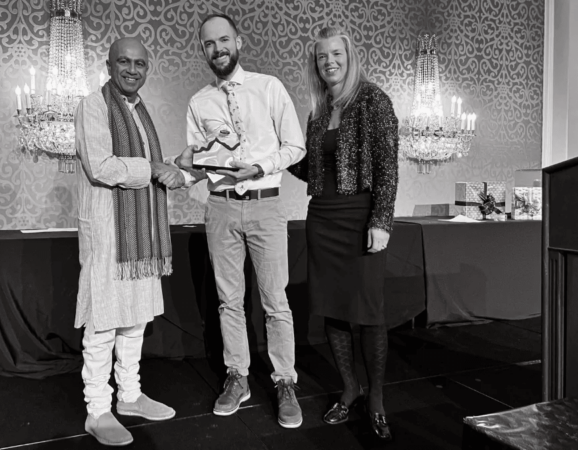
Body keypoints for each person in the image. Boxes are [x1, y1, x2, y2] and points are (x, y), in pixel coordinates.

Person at [174, 13, 307, 429]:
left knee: (276, 301)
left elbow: (296, 147)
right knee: (228, 300)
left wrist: (260, 167)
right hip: (221, 208)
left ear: (239, 42)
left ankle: (285, 381)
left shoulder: (269, 87)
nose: (218, 49)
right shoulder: (199, 102)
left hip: (266, 204)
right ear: (203, 50)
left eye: (224, 40)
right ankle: (238, 376)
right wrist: (182, 169)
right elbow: (200, 163)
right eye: (209, 44)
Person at [73, 37, 188, 446]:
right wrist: (155, 168)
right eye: (124, 61)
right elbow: (101, 167)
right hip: (108, 232)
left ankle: (130, 395)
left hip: (140, 235)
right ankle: (97, 410)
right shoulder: (93, 105)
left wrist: (175, 166)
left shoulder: (141, 111)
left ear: (147, 69)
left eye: (140, 63)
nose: (132, 70)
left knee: (135, 319)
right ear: (109, 66)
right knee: (104, 322)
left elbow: (146, 167)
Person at [288, 26, 399, 441]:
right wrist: (276, 152)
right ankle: (350, 389)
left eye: (336, 54)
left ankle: (376, 400)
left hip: (360, 217)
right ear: (315, 64)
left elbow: (387, 166)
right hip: (322, 218)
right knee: (332, 308)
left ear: (349, 57)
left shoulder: (373, 99)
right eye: (322, 56)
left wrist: (381, 222)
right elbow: (311, 170)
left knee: (369, 312)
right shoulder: (319, 110)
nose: (329, 61)